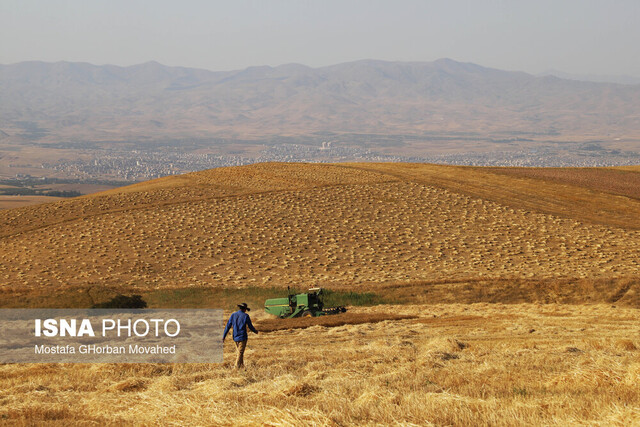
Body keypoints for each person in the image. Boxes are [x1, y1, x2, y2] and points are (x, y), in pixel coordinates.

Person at [222, 302, 258, 369]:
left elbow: (228, 326)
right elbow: (250, 326)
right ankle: (236, 368)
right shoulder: (246, 316)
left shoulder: (233, 315)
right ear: (244, 309)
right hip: (242, 337)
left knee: (239, 353)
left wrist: (223, 336)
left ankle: (241, 367)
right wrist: (255, 331)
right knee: (240, 353)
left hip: (235, 337)